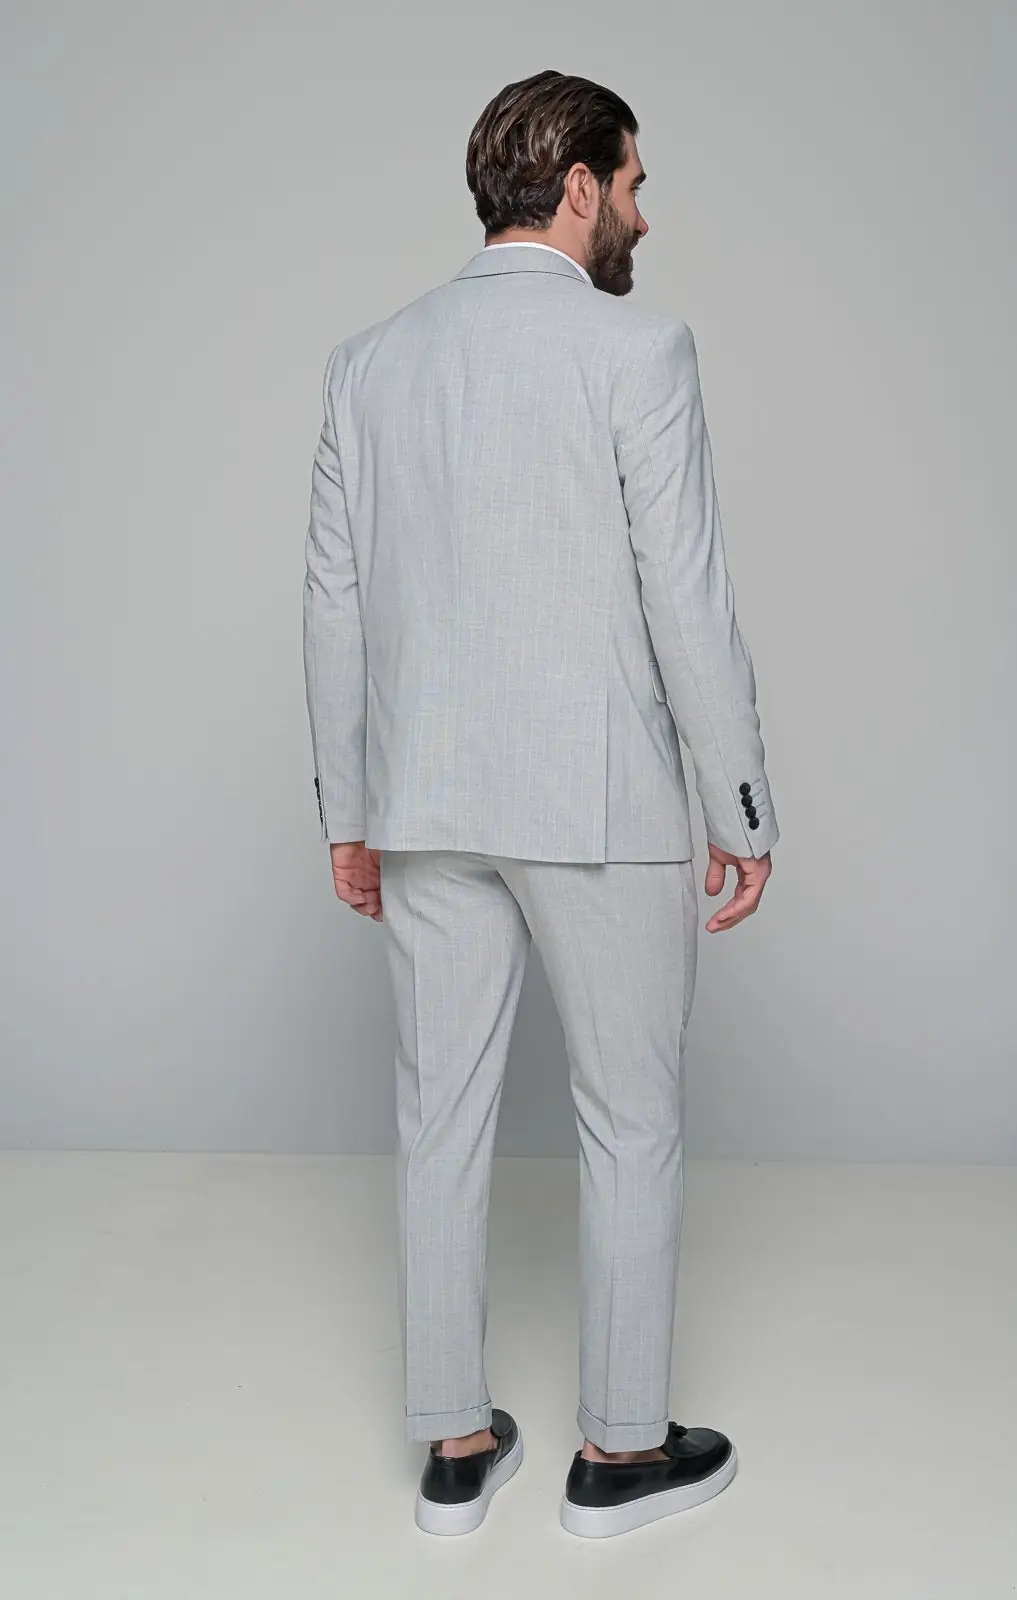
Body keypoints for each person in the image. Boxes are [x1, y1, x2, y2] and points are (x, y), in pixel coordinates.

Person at [302, 68, 780, 1540]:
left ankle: (453, 1449)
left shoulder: (370, 363)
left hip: (425, 802)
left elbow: (332, 604)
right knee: (628, 1121)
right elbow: (684, 595)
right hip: (599, 801)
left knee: (437, 1117)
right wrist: (741, 808)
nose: (642, 211)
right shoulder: (640, 349)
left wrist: (349, 812)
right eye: (632, 183)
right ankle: (619, 1458)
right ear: (577, 186)